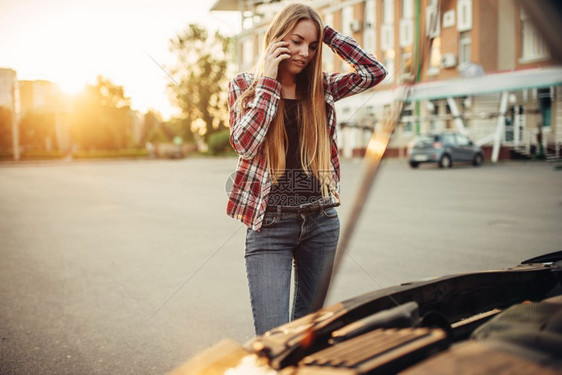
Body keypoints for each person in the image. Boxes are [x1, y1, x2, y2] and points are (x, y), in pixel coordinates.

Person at [226, 3, 387, 335]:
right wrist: (269, 82)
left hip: (321, 224)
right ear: (277, 37)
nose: (304, 53)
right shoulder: (244, 86)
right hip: (269, 226)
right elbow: (245, 142)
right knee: (273, 339)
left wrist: (326, 33)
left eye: (312, 46)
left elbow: (374, 72)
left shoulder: (321, 87)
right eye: (297, 41)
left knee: (305, 338)